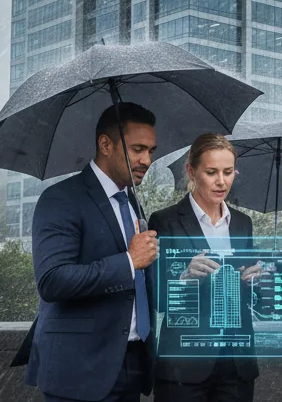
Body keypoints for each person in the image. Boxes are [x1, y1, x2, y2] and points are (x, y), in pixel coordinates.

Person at [24, 101, 160, 402]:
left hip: (131, 365)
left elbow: (138, 284)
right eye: (138, 149)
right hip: (79, 370)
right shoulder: (61, 199)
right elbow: (53, 280)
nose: (147, 160)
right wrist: (128, 261)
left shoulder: (133, 204)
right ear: (105, 144)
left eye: (151, 151)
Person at [148, 133, 262, 402]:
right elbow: (158, 298)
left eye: (228, 172)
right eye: (211, 172)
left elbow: (253, 299)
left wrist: (256, 281)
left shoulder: (243, 224)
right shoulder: (165, 222)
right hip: (183, 366)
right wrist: (185, 277)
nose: (221, 181)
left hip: (236, 364)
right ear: (191, 170)